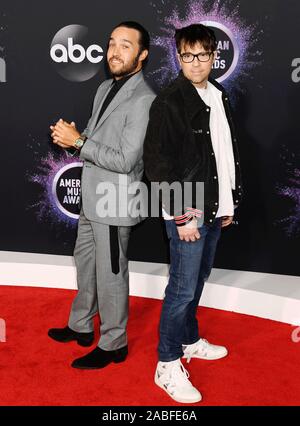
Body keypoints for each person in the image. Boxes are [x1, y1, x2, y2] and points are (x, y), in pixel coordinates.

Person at [143, 24, 243, 403]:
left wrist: (228, 201)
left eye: (203, 54)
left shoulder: (218, 94)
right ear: (178, 57)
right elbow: (157, 164)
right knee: (182, 290)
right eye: (188, 55)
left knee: (197, 280)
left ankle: (188, 340)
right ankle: (166, 363)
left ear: (214, 56)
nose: (196, 62)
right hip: (189, 209)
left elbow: (223, 153)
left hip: (216, 206)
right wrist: (182, 216)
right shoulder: (169, 101)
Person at [48, 21, 155, 369]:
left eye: (125, 45)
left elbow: (126, 160)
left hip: (115, 201)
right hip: (92, 197)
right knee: (86, 264)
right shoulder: (105, 87)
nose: (114, 51)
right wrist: (71, 135)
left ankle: (114, 343)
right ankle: (80, 325)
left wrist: (77, 141)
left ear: (142, 55)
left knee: (111, 275)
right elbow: (94, 137)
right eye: (111, 43)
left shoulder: (144, 99)